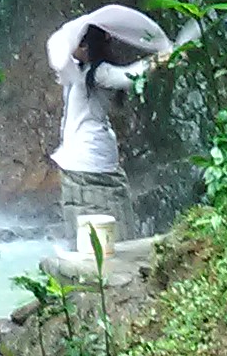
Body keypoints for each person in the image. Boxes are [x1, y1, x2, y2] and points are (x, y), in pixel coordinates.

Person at [51, 24, 170, 245]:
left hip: (89, 164)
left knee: (100, 239)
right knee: (107, 236)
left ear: (85, 46)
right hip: (84, 162)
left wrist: (158, 61)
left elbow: (130, 75)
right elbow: (57, 51)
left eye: (75, 40)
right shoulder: (79, 69)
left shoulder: (99, 72)